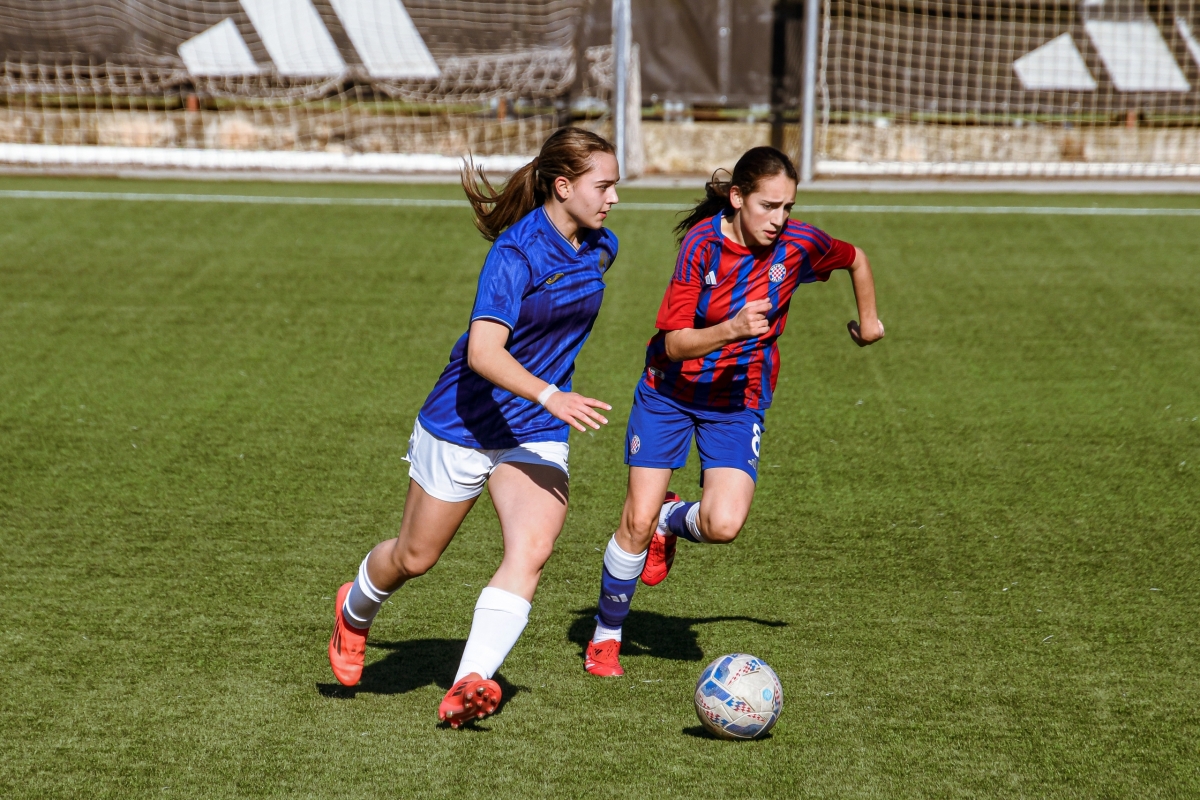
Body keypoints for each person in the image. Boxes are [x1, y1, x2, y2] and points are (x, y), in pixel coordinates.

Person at [328, 127, 619, 725]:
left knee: (532, 548)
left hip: (535, 428)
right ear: (563, 187)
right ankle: (354, 611)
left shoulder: (600, 245)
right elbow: (485, 353)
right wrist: (551, 393)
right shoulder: (513, 255)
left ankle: (470, 682)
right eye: (604, 186)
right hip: (463, 421)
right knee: (413, 557)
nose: (613, 199)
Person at [583, 146, 884, 677]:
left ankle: (671, 521)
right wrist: (731, 329)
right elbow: (674, 344)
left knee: (723, 525)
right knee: (634, 519)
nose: (780, 219)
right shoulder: (701, 246)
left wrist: (869, 323)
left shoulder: (799, 242)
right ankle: (607, 635)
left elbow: (855, 257)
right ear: (738, 198)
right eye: (769, 206)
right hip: (670, 392)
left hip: (736, 402)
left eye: (788, 206)